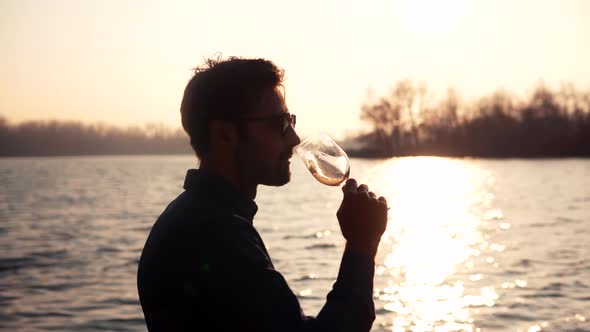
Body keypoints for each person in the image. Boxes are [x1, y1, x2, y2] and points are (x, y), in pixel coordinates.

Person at [137, 57, 389, 332]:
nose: (293, 139)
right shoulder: (216, 235)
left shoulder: (193, 217)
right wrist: (362, 244)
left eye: (290, 121)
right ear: (224, 135)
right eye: (279, 123)